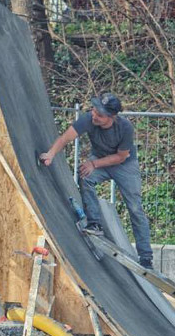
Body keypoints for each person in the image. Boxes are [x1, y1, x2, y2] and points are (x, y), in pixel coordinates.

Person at [40, 93, 153, 269]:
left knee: (135, 208)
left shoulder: (125, 128)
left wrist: (94, 163)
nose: (95, 115)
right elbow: (66, 138)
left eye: (100, 115)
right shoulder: (88, 119)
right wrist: (50, 154)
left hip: (124, 165)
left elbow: (121, 157)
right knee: (85, 176)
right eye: (94, 110)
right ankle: (94, 223)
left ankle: (146, 256)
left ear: (112, 117)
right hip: (100, 159)